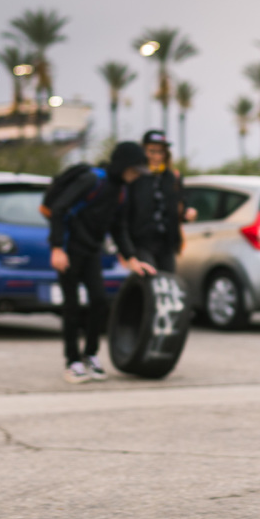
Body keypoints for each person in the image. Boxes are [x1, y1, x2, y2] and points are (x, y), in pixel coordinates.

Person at [48, 141, 157, 384]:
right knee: (72, 306)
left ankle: (91, 356)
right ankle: (72, 361)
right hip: (69, 250)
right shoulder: (91, 180)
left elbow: (120, 228)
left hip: (91, 251)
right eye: (134, 170)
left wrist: (132, 259)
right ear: (123, 165)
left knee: (98, 302)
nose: (135, 176)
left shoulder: (121, 191)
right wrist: (57, 248)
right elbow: (58, 209)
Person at [117, 130, 194, 273]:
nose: (156, 156)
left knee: (167, 281)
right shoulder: (135, 176)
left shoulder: (172, 177)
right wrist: (126, 250)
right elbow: (123, 214)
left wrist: (187, 212)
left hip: (166, 243)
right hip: (140, 242)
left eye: (161, 152)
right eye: (152, 151)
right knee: (149, 279)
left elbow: (180, 203)